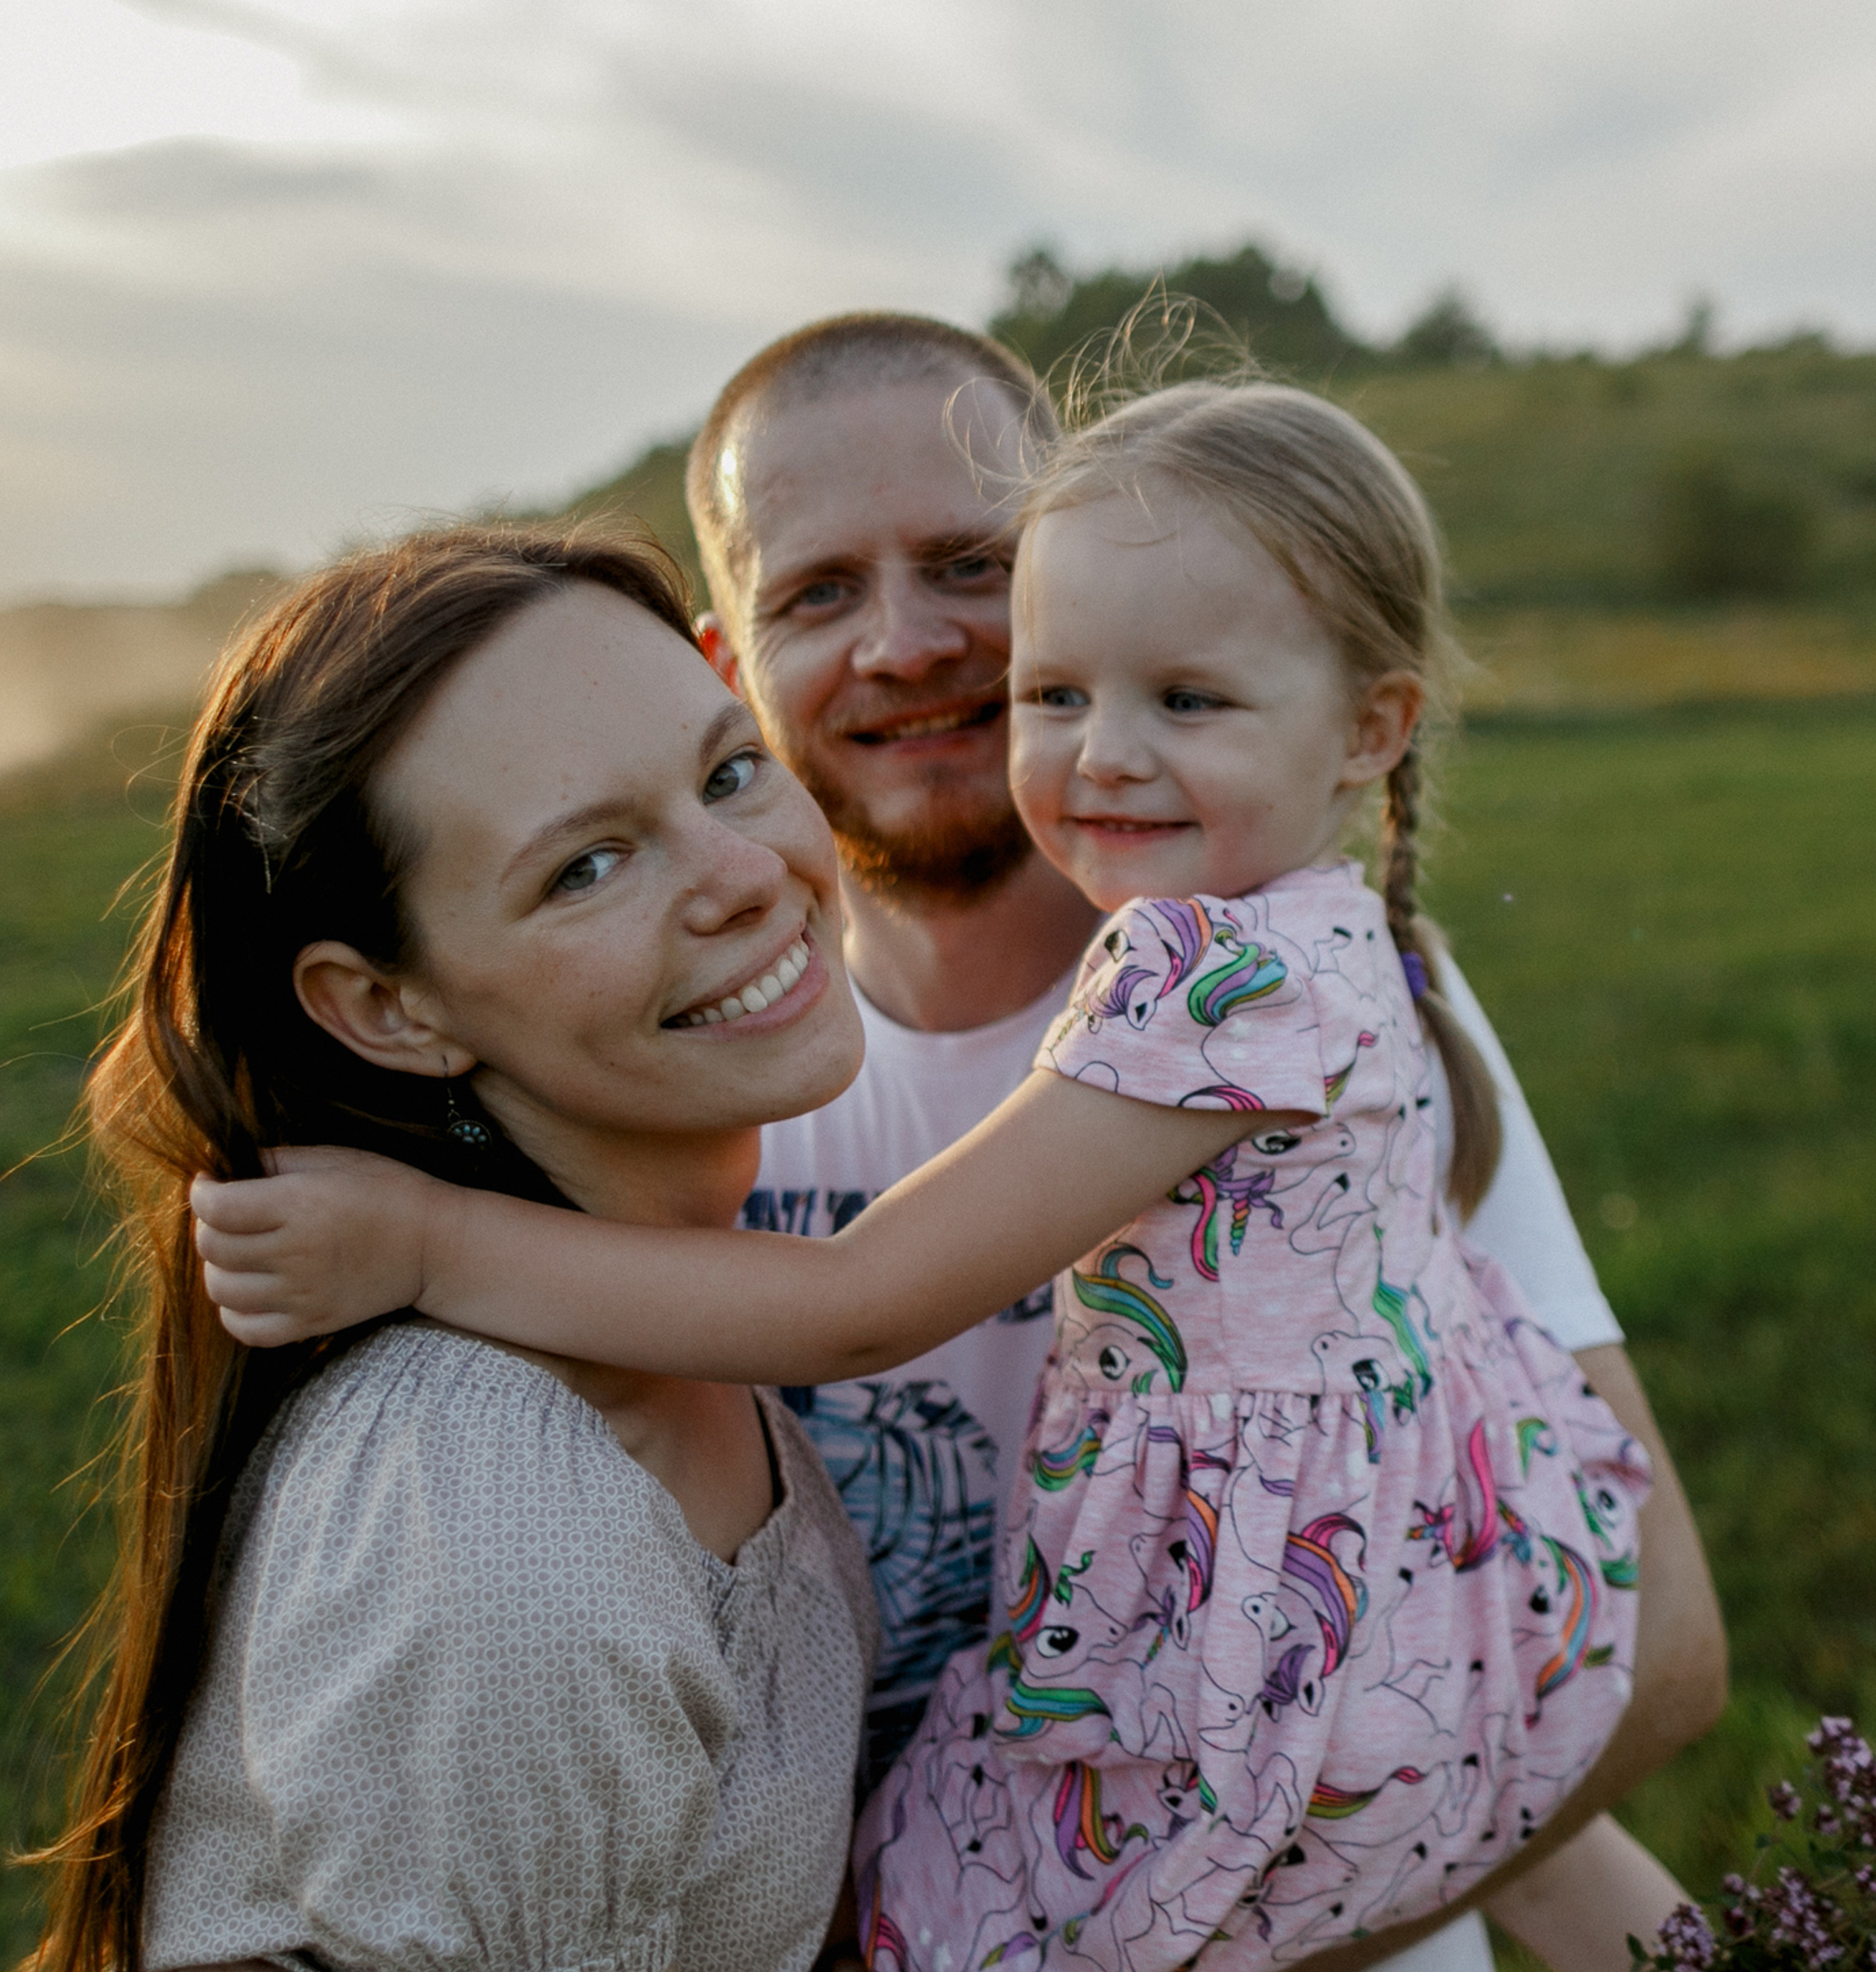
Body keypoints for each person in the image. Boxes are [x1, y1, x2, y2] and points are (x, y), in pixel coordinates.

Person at [192, 385, 1722, 1972]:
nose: (1103, 751)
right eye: (1054, 694)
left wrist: (431, 1243)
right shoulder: (1305, 951)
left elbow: (863, 1302)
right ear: (735, 656)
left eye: (1187, 697)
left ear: (1370, 728)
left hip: (1223, 1702)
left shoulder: (1218, 982)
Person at [685, 315, 1723, 1968]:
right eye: (816, 591)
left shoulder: (1339, 1001)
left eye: (969, 562)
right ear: (727, 664)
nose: (905, 643)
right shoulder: (666, 1078)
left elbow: (1619, 1648)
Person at [33, 525, 888, 1972]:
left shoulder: (666, 1312)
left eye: (729, 770)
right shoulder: (501, 1524)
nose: (745, 872)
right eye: (588, 865)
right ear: (388, 1009)